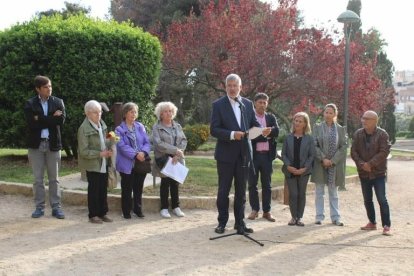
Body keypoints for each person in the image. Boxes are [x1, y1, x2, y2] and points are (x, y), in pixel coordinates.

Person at [210, 73, 271, 234]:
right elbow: (214, 129)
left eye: (234, 85)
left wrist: (262, 130)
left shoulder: (247, 103)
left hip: (244, 155)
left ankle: (240, 223)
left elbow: (254, 125)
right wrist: (231, 134)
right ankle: (222, 222)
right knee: (223, 190)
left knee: (241, 191)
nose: (231, 88)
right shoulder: (218, 105)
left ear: (240, 87)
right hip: (225, 155)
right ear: (225, 87)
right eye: (229, 85)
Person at [24, 75, 66, 219]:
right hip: (36, 146)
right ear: (38, 89)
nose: (49, 89)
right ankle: (39, 207)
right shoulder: (30, 104)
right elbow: (32, 124)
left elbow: (60, 121)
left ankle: (56, 207)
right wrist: (51, 119)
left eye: (50, 86)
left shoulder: (58, 102)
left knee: (54, 178)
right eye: (46, 87)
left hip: (53, 144)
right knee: (38, 179)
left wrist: (40, 118)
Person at [351, 110, 392, 236]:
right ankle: (372, 222)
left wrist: (371, 164)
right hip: (364, 173)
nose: (364, 120)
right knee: (367, 199)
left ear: (375, 121)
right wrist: (363, 164)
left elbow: (384, 152)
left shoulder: (382, 134)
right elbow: (353, 152)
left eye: (367, 119)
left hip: (378, 173)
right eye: (363, 118)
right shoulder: (358, 134)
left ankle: (386, 225)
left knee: (381, 199)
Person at [77, 100, 114, 224]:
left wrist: (112, 141)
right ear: (87, 114)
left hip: (103, 162)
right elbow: (83, 151)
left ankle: (103, 213)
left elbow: (105, 141)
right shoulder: (83, 129)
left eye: (100, 112)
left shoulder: (101, 124)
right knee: (94, 190)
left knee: (103, 188)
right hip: (92, 164)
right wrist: (100, 154)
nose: (99, 115)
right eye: (95, 112)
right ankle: (93, 215)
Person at [312, 103, 347, 226]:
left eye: (330, 112)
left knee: (333, 192)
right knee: (319, 191)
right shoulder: (317, 127)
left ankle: (336, 217)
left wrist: (332, 161)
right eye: (326, 112)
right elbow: (314, 144)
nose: (328, 114)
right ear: (323, 113)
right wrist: (323, 159)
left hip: (334, 165)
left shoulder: (340, 129)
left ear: (335, 114)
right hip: (320, 164)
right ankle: (319, 216)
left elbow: (343, 147)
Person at [247, 93, 279, 222]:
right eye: (260, 102)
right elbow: (249, 135)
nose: (262, 105)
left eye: (264, 102)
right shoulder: (249, 117)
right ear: (254, 103)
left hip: (267, 156)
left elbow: (277, 131)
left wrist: (264, 132)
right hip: (253, 156)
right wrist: (264, 134)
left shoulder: (271, 117)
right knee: (252, 184)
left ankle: (267, 211)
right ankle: (255, 210)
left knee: (267, 185)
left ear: (267, 104)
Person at [152, 101, 187, 218]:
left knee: (175, 183)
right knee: (165, 183)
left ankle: (176, 207)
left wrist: (177, 154)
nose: (168, 113)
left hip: (176, 158)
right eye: (166, 111)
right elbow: (158, 144)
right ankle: (164, 208)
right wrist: (175, 150)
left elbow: (183, 141)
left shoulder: (177, 126)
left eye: (170, 111)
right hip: (163, 158)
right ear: (161, 114)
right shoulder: (157, 127)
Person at [115, 102, 151, 219]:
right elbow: (121, 146)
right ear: (125, 114)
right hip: (127, 164)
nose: (134, 114)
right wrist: (135, 155)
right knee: (126, 189)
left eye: (135, 112)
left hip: (141, 163)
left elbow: (147, 142)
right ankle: (126, 211)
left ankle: (137, 209)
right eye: (131, 112)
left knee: (138, 188)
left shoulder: (140, 126)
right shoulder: (119, 130)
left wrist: (144, 153)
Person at [281, 112, 315, 226]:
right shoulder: (288, 137)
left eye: (300, 121)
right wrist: (288, 165)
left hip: (303, 172)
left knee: (301, 194)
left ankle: (299, 218)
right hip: (290, 171)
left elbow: (311, 156)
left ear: (305, 124)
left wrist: (304, 168)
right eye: (296, 120)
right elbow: (283, 154)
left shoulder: (309, 139)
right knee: (293, 194)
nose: (297, 123)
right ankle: (293, 217)